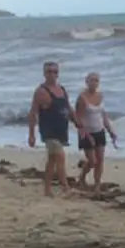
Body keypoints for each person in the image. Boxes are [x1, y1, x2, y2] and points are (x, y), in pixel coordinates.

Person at [27, 61, 81, 197]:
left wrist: (77, 123)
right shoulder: (41, 92)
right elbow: (32, 113)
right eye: (49, 72)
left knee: (52, 161)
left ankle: (47, 189)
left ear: (58, 74)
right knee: (60, 156)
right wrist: (31, 135)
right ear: (44, 74)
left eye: (55, 72)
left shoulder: (61, 89)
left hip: (61, 130)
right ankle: (65, 187)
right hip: (48, 131)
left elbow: (68, 108)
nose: (52, 74)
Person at [76, 72, 117, 195]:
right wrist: (87, 135)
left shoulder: (100, 96)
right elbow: (78, 119)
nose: (94, 83)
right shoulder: (82, 98)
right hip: (86, 132)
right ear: (86, 82)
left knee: (100, 160)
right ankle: (82, 177)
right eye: (91, 80)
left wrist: (111, 131)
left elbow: (103, 116)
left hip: (99, 131)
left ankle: (97, 184)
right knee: (92, 161)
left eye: (96, 80)